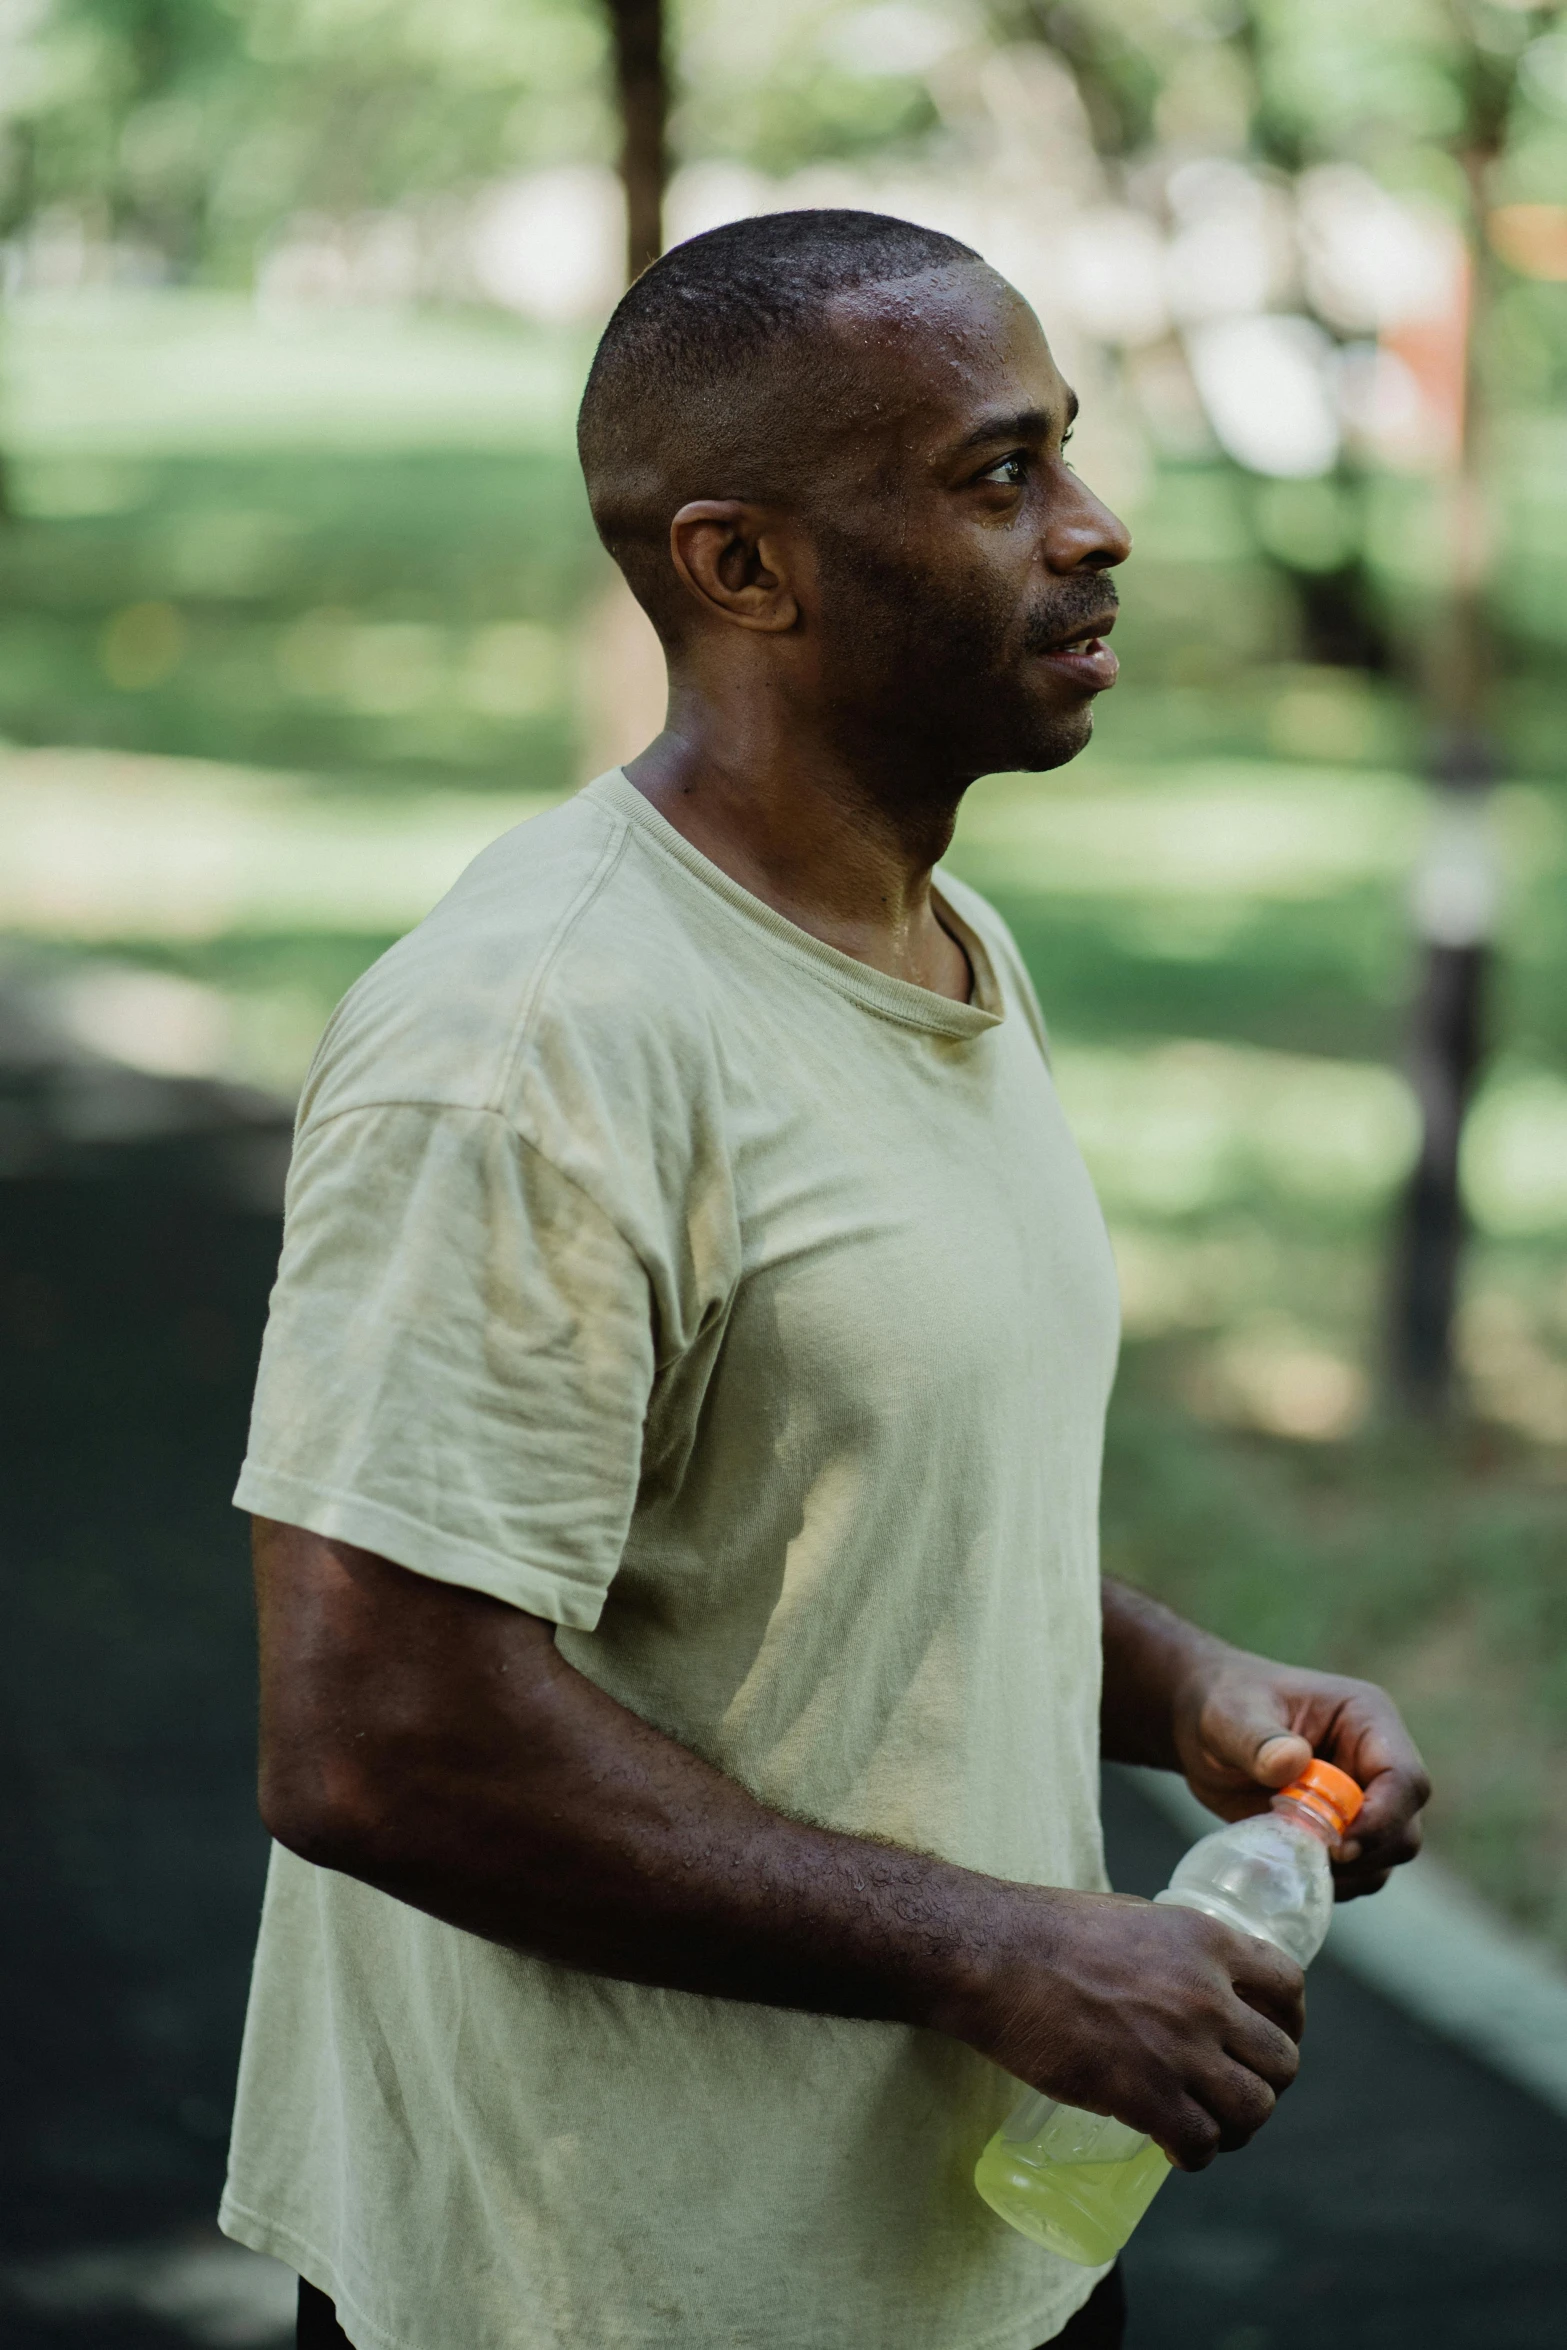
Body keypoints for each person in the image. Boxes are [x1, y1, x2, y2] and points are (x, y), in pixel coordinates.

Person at [221, 211, 1430, 2350]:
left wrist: (1183, 1692)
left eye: (1065, 449)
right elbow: (376, 1735)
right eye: (996, 477)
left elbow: (835, 1509)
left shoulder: (936, 941)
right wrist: (999, 1947)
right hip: (603, 2293)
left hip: (973, 2254)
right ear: (740, 568)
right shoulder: (535, 1044)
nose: (1096, 524)